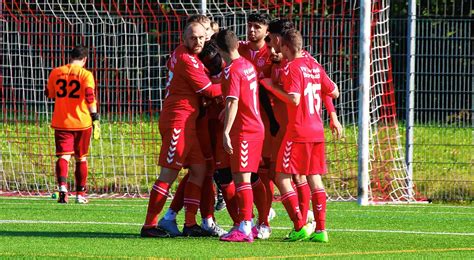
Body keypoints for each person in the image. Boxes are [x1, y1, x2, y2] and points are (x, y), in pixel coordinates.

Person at [141, 21, 222, 238]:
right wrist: (234, 81)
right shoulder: (187, 59)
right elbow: (209, 91)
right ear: (183, 39)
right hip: (178, 120)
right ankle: (149, 225)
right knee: (169, 173)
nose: (198, 42)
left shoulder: (187, 56)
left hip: (189, 122)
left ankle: (190, 223)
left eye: (201, 38)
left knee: (200, 169)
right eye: (193, 38)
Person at [260, 29, 340, 242]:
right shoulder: (315, 66)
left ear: (286, 47)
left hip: (298, 131)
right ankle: (321, 230)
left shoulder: (292, 67)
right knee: (314, 178)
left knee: (281, 176)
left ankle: (299, 226)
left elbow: (293, 99)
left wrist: (272, 87)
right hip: (317, 130)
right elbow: (334, 91)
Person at [216, 28, 265, 243]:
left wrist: (226, 131)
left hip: (245, 130)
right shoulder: (248, 65)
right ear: (236, 44)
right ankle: (251, 223)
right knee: (244, 178)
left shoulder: (232, 70)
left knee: (242, 178)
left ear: (219, 49)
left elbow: (233, 101)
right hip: (253, 127)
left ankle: (245, 226)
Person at [45, 45, 100, 204]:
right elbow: (90, 96)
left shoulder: (56, 72)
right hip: (82, 123)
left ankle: (62, 187)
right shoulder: (86, 74)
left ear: (70, 57)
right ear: (85, 59)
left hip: (61, 122)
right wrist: (95, 116)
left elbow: (49, 94)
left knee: (64, 156)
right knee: (81, 158)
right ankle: (80, 195)